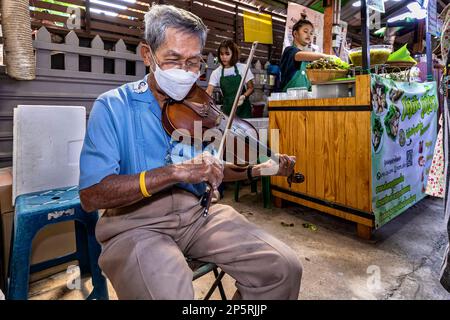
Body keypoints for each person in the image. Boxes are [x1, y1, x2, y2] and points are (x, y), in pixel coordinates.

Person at [79, 4, 302, 300]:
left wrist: (262, 167)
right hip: (134, 225)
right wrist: (175, 172)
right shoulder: (113, 106)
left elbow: (214, 168)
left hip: (198, 214)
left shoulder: (199, 108)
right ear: (148, 55)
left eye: (194, 63)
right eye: (173, 60)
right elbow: (92, 194)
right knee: (169, 293)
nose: (186, 73)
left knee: (283, 267)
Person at [279, 19, 332, 92]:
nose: (309, 35)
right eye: (305, 31)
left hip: (304, 99)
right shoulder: (289, 50)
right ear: (295, 33)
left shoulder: (308, 61)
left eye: (311, 33)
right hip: (288, 100)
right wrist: (326, 56)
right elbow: (298, 55)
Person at [206, 40, 254, 118]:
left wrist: (243, 96)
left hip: (244, 111)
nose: (224, 57)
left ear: (233, 54)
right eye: (221, 54)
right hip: (227, 111)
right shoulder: (216, 72)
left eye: (227, 54)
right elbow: (209, 91)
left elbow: (251, 88)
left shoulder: (243, 68)